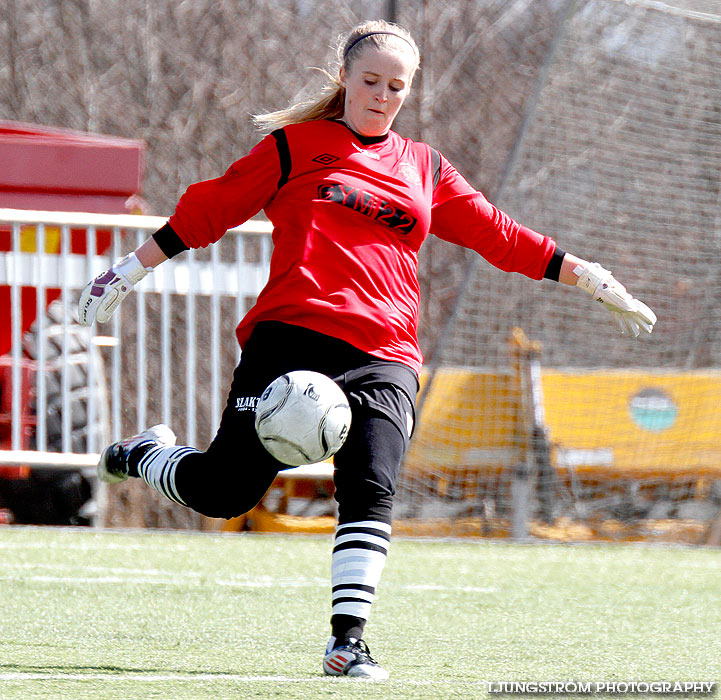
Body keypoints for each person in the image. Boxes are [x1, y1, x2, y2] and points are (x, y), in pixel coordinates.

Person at [78, 19, 656, 680]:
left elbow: (499, 234)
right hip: (289, 339)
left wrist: (585, 275)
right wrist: (127, 269)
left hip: (386, 352)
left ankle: (346, 643)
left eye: (396, 86)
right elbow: (212, 208)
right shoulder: (296, 148)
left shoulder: (425, 166)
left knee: (371, 485)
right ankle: (147, 452)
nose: (382, 94)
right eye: (370, 81)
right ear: (346, 81)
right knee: (222, 492)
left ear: (408, 92)